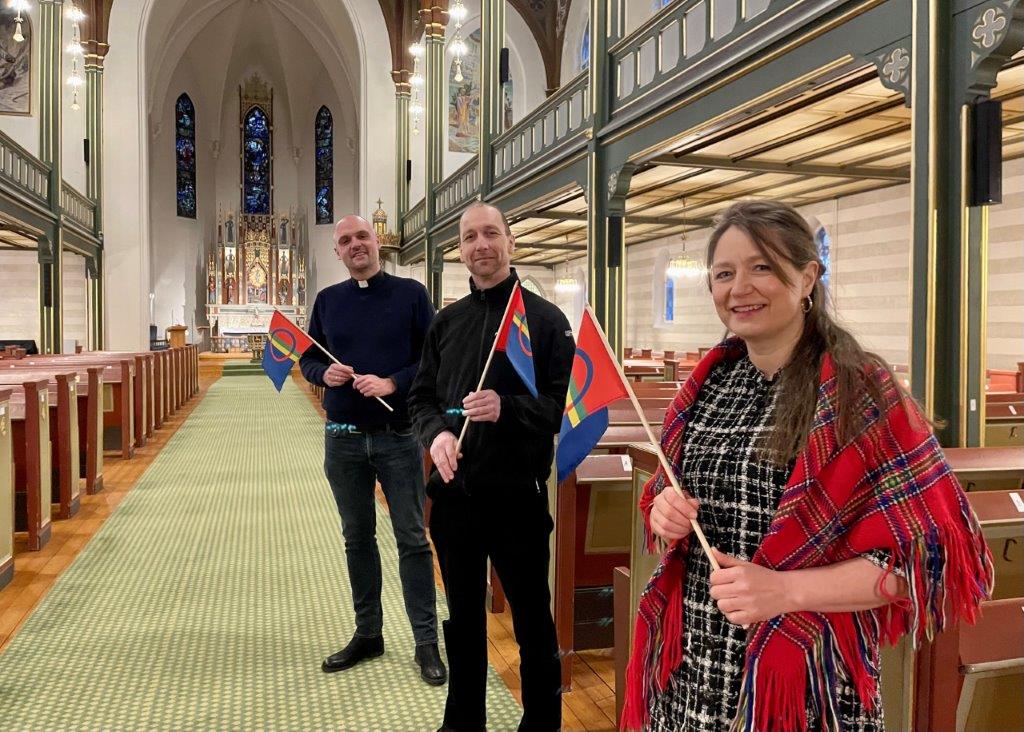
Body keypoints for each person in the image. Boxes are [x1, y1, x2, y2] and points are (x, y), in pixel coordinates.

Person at [621, 200, 993, 731]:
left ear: (807, 277)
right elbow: (668, 494)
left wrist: (785, 591)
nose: (739, 287)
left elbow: (921, 567)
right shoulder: (706, 386)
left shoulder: (859, 393)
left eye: (762, 267)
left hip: (809, 679)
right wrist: (665, 512)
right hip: (694, 670)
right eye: (724, 273)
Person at [409, 202, 574, 731]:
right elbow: (421, 399)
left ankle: (542, 723)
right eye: (470, 237)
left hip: (517, 497)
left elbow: (559, 408)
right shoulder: (446, 322)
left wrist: (507, 407)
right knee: (462, 620)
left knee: (531, 620)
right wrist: (435, 437)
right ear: (460, 250)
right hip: (456, 497)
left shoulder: (545, 321)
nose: (481, 244)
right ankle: (463, 721)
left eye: (491, 234)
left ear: (510, 242)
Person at [299, 214, 446, 686]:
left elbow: (431, 359)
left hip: (398, 436)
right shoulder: (327, 301)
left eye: (362, 236)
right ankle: (369, 633)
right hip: (341, 438)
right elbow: (308, 357)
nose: (355, 245)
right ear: (337, 253)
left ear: (376, 242)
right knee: (357, 539)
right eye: (345, 241)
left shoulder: (410, 295)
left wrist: (392, 382)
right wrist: (326, 375)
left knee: (411, 539)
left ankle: (426, 642)